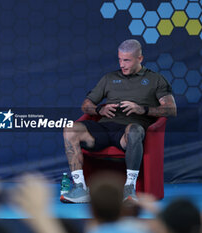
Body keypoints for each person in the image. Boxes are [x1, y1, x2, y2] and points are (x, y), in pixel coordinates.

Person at [61, 39, 177, 203]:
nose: (122, 64)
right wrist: (99, 109)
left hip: (128, 132)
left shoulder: (155, 79)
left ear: (140, 59)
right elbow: (86, 105)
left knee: (135, 130)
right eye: (120, 59)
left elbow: (171, 109)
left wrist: (142, 109)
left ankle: (129, 189)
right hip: (103, 129)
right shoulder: (109, 78)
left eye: (127, 60)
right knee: (70, 129)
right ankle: (80, 188)